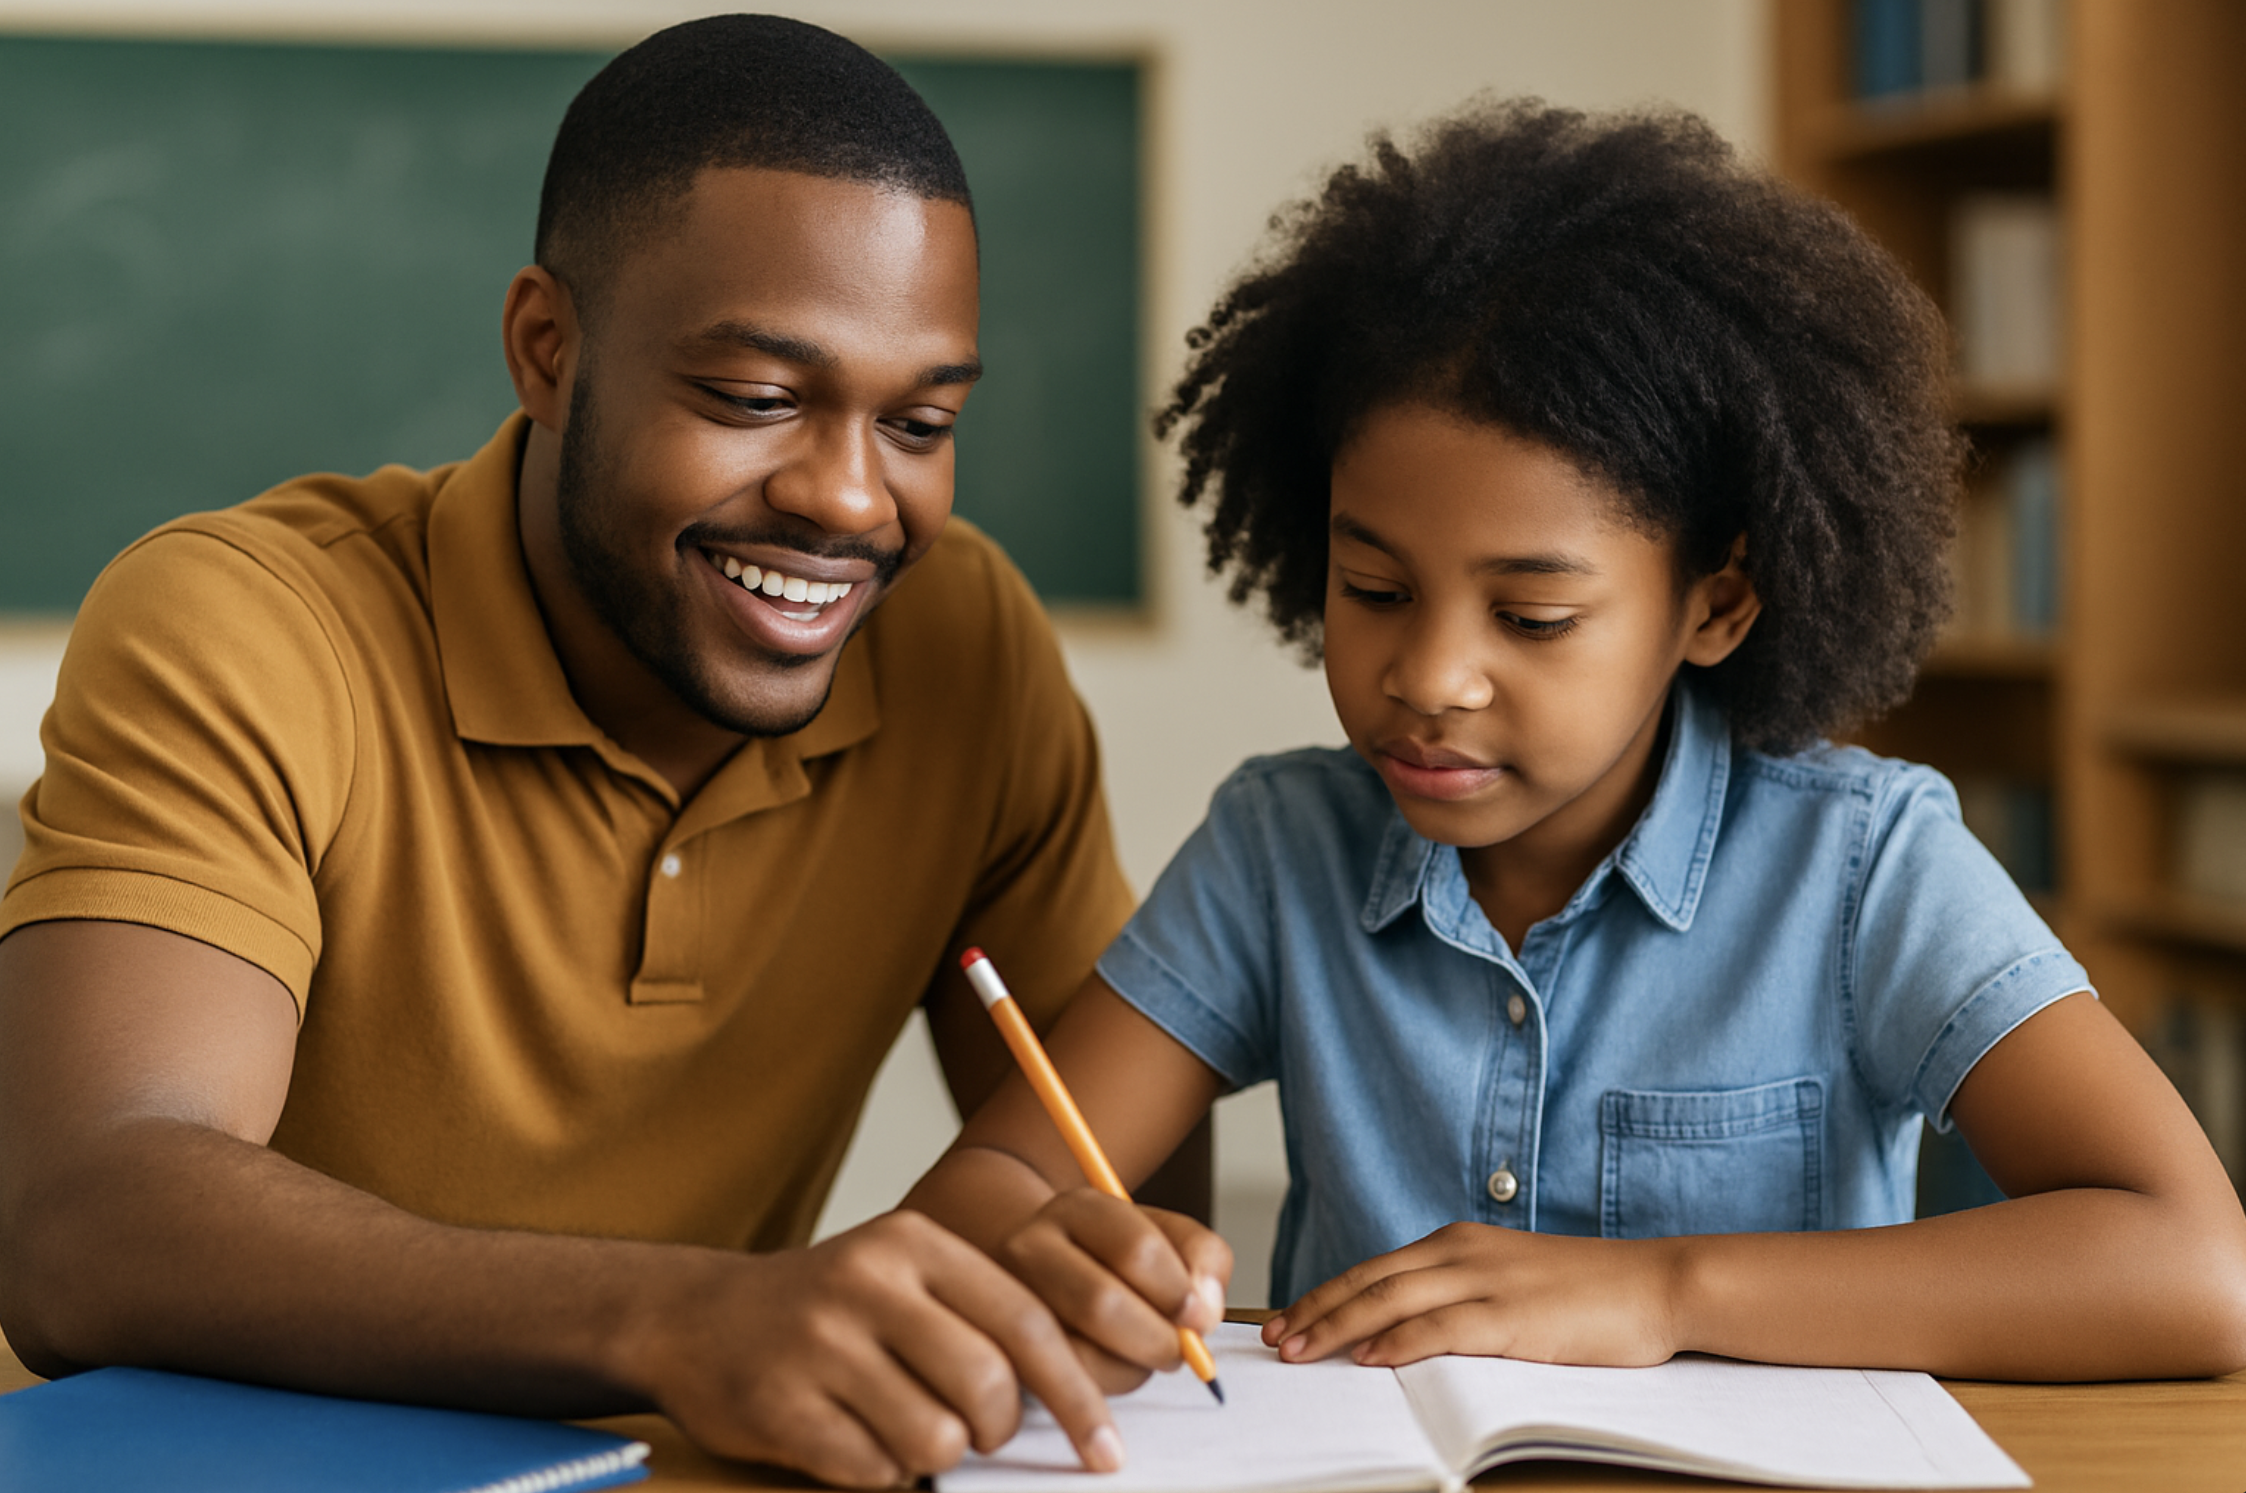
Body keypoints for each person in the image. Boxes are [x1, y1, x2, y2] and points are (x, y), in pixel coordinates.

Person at [0, 16, 1220, 1487]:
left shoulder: (964, 648)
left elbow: (1102, 1174)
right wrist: (693, 1316)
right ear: (548, 350)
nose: (848, 499)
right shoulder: (251, 625)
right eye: (757, 399)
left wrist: (1070, 1281)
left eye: (918, 421)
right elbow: (86, 1220)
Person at [906, 100, 2246, 1383]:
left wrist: (1665, 1290)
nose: (1427, 677)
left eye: (1532, 616)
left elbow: (2193, 1263)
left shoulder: (1861, 867)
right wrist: (1045, 1239)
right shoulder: (1279, 848)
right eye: (1371, 589)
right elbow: (1009, 1177)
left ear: (1713, 603)